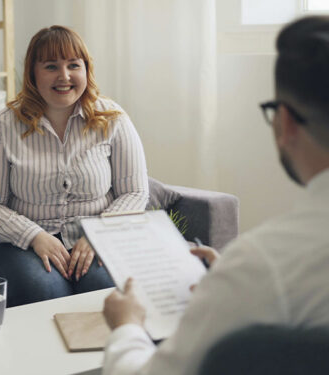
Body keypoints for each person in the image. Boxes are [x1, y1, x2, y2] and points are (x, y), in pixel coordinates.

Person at [102, 15, 329, 375]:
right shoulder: (258, 270)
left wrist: (127, 325)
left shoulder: (263, 262)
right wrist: (232, 280)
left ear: (284, 123)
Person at [0, 25, 149, 306]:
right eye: (51, 66)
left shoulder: (113, 119)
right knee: (45, 291)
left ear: (86, 71)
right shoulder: (2, 126)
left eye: (73, 65)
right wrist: (34, 236)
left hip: (95, 238)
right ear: (33, 74)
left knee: (104, 289)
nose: (64, 76)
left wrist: (98, 235)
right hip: (23, 242)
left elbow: (135, 193)